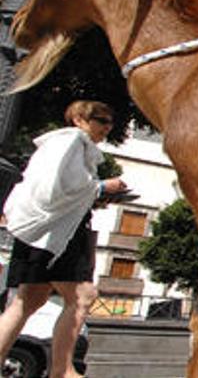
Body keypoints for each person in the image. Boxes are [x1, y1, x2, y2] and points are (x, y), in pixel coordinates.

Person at [0, 100, 128, 378]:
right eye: (101, 119)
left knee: (27, 301)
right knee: (83, 295)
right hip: (58, 234)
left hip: (39, 232)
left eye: (110, 121)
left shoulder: (60, 145)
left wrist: (95, 193)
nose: (107, 126)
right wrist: (102, 186)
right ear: (80, 119)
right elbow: (56, 187)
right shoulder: (72, 141)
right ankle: (63, 371)